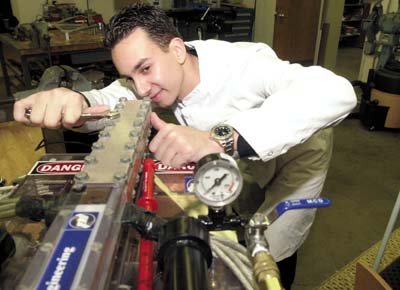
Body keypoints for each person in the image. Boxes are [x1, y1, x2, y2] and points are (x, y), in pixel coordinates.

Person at [13, 4, 357, 289]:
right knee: (232, 217)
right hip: (240, 164)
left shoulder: (245, 64)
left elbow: (336, 92)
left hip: (294, 156)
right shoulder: (151, 78)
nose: (141, 88)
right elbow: (112, 99)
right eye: (131, 76)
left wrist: (217, 139)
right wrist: (74, 99)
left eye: (145, 69)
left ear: (177, 49)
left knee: (272, 244)